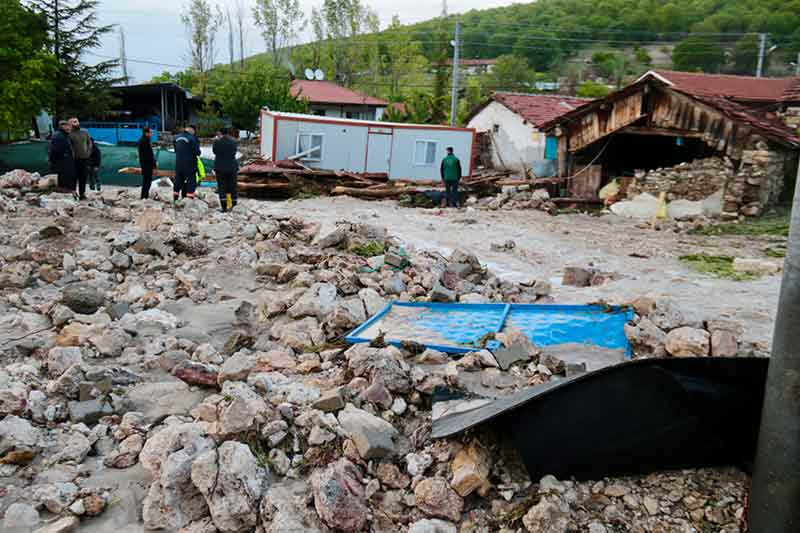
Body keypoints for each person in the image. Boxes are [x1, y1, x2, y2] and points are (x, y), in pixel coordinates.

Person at [212, 127, 239, 212]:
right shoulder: (234, 142)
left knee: (222, 187)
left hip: (220, 167)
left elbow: (215, 152)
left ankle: (224, 207)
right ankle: (234, 205)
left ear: (220, 133)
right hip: (232, 167)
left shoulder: (217, 142)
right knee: (232, 186)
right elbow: (234, 152)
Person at [173, 125, 201, 202]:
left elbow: (176, 150)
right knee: (191, 182)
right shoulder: (193, 138)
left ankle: (175, 199)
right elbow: (198, 152)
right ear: (192, 130)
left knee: (178, 181)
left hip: (179, 164)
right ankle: (189, 201)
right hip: (190, 165)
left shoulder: (176, 137)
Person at [68, 117, 92, 200]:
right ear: (70, 124)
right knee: (73, 176)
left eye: (76, 121)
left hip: (85, 158)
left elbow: (89, 142)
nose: (76, 123)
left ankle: (82, 193)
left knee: (83, 177)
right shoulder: (69, 134)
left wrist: (89, 152)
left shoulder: (85, 132)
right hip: (75, 160)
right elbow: (69, 146)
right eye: (73, 122)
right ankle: (73, 192)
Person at [49, 120, 74, 193]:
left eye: (68, 126)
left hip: (65, 160)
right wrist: (53, 161)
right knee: (64, 176)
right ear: (61, 126)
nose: (68, 127)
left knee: (65, 176)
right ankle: (63, 190)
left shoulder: (64, 135)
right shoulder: (59, 136)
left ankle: (65, 189)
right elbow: (55, 150)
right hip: (62, 161)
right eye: (66, 126)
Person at [137, 127, 157, 200]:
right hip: (147, 164)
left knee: (146, 180)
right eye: (150, 132)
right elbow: (149, 154)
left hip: (143, 163)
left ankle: (144, 195)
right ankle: (144, 196)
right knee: (147, 181)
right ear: (146, 133)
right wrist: (154, 164)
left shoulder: (142, 140)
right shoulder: (145, 141)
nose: (151, 134)